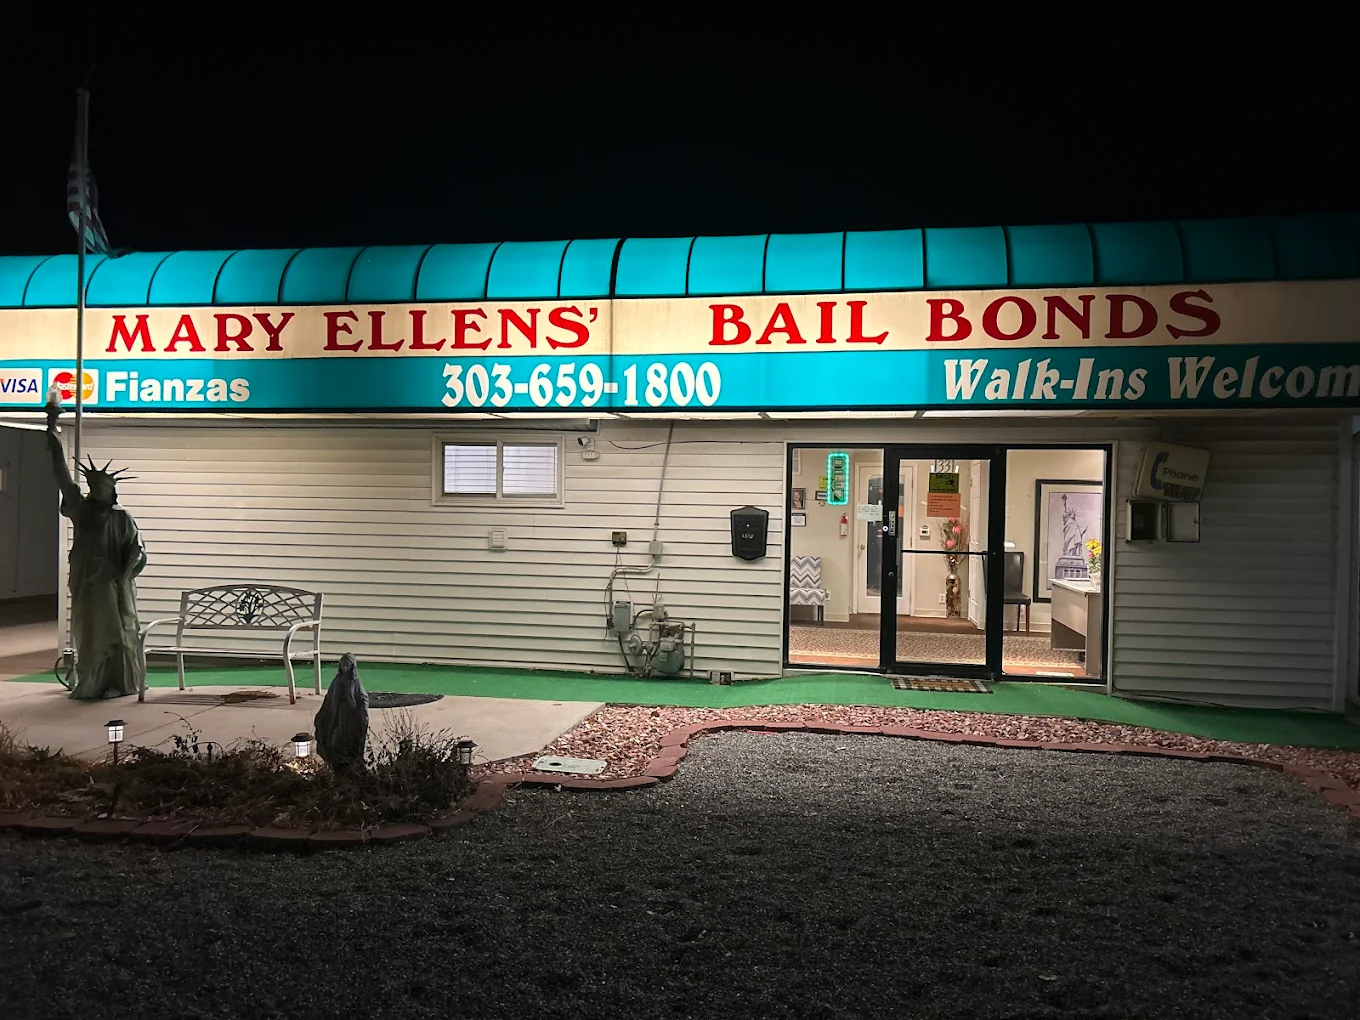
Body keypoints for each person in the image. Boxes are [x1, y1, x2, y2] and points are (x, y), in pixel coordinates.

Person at [45, 398, 147, 700]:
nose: (97, 491)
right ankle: (91, 680)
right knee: (88, 633)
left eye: (103, 487)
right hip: (86, 581)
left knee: (117, 634)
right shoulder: (82, 510)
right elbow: (62, 476)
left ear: (112, 490)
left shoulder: (121, 516)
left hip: (113, 585)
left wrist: (127, 567)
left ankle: (119, 681)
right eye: (93, 487)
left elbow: (136, 549)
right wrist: (52, 430)